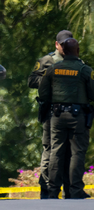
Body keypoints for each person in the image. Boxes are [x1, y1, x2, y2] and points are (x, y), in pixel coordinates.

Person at [38, 38, 93, 199]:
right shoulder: (84, 70)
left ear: (63, 50)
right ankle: (75, 190)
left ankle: (53, 190)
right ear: (77, 51)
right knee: (77, 153)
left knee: (56, 151)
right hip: (78, 117)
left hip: (56, 116)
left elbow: (43, 93)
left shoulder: (53, 69)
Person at [28, 30, 73, 199]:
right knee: (50, 150)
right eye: (62, 44)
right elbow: (32, 81)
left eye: (67, 44)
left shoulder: (76, 61)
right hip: (52, 112)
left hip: (72, 114)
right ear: (56, 44)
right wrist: (52, 78)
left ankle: (70, 189)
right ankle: (46, 187)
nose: (64, 47)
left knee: (71, 152)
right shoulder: (47, 60)